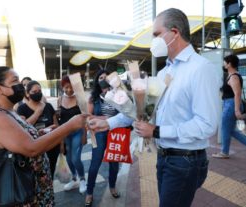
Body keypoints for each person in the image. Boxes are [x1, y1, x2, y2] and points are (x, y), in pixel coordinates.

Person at [88, 8, 221, 207]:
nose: (154, 41)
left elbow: (206, 124)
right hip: (165, 157)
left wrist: (157, 131)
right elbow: (143, 112)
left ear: (174, 33)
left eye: (157, 34)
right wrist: (107, 123)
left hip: (185, 161)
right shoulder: (164, 72)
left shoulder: (200, 69)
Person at [0, 66, 87, 206]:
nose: (20, 85)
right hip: (23, 193)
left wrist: (41, 132)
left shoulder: (9, 112)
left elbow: (22, 141)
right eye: (15, 81)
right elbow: (31, 148)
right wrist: (69, 126)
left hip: (34, 188)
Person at [85, 70, 120, 207]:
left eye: (106, 77)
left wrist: (110, 121)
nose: (104, 79)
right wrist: (107, 119)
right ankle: (89, 192)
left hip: (115, 133)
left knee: (114, 164)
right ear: (97, 81)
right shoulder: (93, 97)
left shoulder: (118, 94)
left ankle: (112, 186)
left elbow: (124, 113)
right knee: (95, 163)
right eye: (101, 77)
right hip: (98, 132)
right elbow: (88, 116)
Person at [17, 80, 60, 179]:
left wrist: (61, 144)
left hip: (51, 146)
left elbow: (56, 125)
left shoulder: (48, 106)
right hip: (34, 147)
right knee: (35, 176)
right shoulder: (22, 108)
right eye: (34, 92)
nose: (38, 93)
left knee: (50, 172)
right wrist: (38, 112)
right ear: (27, 94)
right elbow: (24, 127)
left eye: (39, 91)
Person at [212, 54, 246, 159]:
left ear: (229, 64)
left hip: (231, 105)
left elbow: (237, 94)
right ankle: (225, 151)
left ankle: (224, 152)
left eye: (225, 62)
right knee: (230, 130)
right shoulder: (231, 76)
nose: (223, 64)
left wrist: (236, 110)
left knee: (226, 128)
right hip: (229, 103)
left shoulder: (234, 77)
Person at [58, 75, 87, 194]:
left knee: (75, 158)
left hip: (77, 133)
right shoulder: (60, 99)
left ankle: (82, 179)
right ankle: (74, 179)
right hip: (65, 134)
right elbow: (59, 118)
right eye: (66, 87)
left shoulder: (80, 99)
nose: (69, 90)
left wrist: (84, 134)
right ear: (62, 87)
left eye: (71, 87)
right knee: (69, 159)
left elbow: (85, 119)